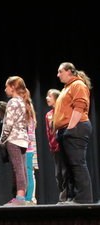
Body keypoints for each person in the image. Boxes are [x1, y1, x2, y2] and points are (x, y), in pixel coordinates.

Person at [53, 62, 93, 204]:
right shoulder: (67, 88)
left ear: (69, 71)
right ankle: (71, 197)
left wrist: (70, 128)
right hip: (66, 130)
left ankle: (84, 199)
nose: (58, 75)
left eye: (60, 71)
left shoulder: (78, 85)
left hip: (77, 127)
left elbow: (79, 107)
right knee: (68, 167)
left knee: (77, 164)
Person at [0, 76, 33, 206]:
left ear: (13, 87)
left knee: (18, 168)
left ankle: (20, 197)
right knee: (22, 168)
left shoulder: (13, 102)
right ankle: (21, 196)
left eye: (7, 86)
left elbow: (8, 124)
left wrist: (2, 139)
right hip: (23, 140)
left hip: (14, 139)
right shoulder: (23, 102)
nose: (5, 89)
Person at [45, 88, 69, 203]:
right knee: (58, 174)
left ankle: (65, 197)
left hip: (64, 145)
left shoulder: (63, 110)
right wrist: (51, 145)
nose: (47, 98)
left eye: (49, 96)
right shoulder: (48, 115)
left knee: (65, 172)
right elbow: (48, 132)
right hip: (55, 148)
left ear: (56, 98)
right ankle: (63, 195)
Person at [25, 101, 39, 205]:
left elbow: (29, 138)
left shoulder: (29, 121)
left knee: (29, 174)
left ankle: (30, 198)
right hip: (29, 150)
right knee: (28, 174)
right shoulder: (30, 120)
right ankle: (29, 197)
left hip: (28, 150)